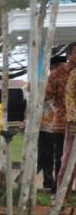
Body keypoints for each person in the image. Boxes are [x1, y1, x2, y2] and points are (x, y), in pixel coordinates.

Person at [40, 47, 75, 192]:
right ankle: (59, 190)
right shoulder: (57, 74)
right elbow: (46, 95)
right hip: (62, 120)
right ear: (69, 55)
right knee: (61, 157)